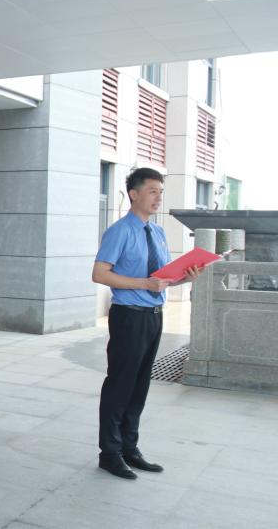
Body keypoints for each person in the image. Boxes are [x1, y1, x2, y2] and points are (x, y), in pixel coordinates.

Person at [91, 168, 201, 480]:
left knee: (140, 386)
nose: (158, 198)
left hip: (154, 316)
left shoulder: (158, 233)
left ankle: (129, 448)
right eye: (152, 191)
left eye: (160, 192)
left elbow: (161, 279)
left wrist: (186, 276)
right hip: (129, 316)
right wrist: (143, 283)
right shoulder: (120, 231)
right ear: (134, 194)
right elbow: (99, 274)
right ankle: (109, 453)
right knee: (120, 384)